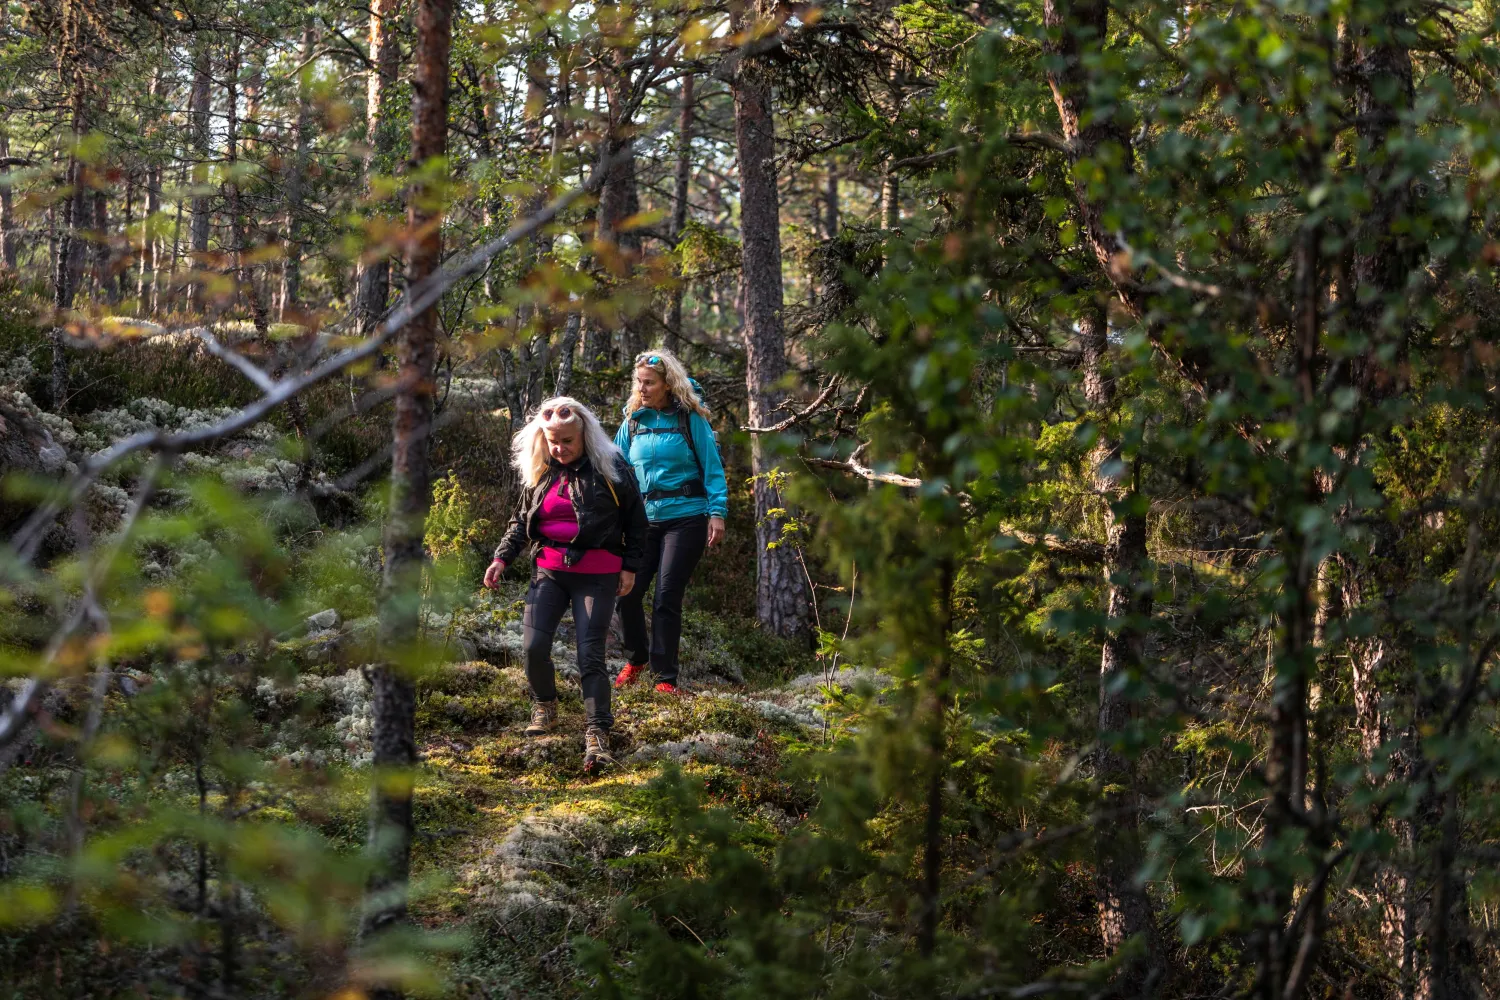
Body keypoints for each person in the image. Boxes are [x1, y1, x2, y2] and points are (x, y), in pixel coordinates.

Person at [484, 396, 647, 775]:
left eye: (567, 441)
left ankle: (597, 733)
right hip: (549, 571)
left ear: (585, 435)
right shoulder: (542, 469)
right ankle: (545, 705)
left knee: (590, 654)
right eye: (552, 441)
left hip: (599, 572)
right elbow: (519, 520)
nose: (559, 448)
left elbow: (638, 523)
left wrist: (630, 568)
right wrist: (500, 558)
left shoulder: (612, 467)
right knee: (533, 647)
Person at [612, 350, 728, 694]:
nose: (642, 389)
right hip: (643, 522)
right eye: (639, 382)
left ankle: (665, 680)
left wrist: (717, 513)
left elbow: (712, 467)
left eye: (649, 383)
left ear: (668, 384)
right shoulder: (633, 421)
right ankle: (637, 659)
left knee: (666, 597)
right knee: (626, 593)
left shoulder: (690, 418)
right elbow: (615, 468)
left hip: (687, 518)